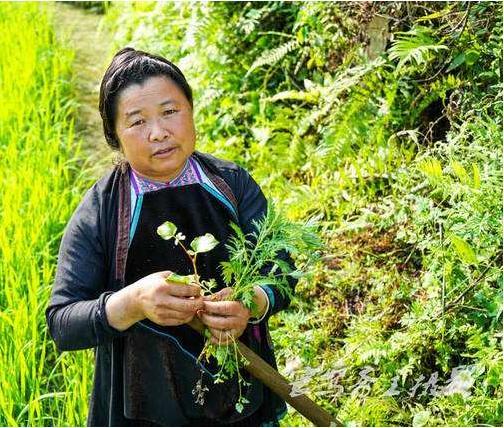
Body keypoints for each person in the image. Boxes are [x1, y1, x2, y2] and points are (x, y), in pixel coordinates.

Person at [45, 47, 296, 427]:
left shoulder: (231, 184)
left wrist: (252, 302)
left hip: (241, 393)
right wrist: (133, 302)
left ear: (191, 111)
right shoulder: (103, 210)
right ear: (115, 135)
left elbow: (283, 272)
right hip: (145, 407)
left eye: (170, 112)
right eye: (137, 121)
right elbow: (63, 322)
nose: (158, 132)